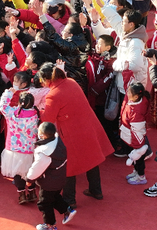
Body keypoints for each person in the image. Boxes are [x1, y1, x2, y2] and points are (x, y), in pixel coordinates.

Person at [37, 62, 114, 207]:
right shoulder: (71, 82)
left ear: (47, 80)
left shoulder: (53, 95)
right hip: (88, 126)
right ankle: (96, 190)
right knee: (92, 158)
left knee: (69, 166)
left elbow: (48, 118)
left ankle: (69, 200)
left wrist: (38, 110)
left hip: (71, 132)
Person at [25, 121, 77, 230]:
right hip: (59, 179)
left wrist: (29, 179)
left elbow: (37, 167)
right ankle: (67, 210)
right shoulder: (58, 142)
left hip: (49, 182)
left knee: (44, 203)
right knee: (54, 197)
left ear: (43, 135)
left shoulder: (45, 153)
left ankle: (50, 225)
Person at [0, 87, 40, 202]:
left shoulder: (12, 113)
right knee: (29, 172)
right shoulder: (36, 115)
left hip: (13, 149)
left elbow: (2, 106)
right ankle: (32, 192)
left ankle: (21, 194)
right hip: (30, 149)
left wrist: (9, 92)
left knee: (17, 172)